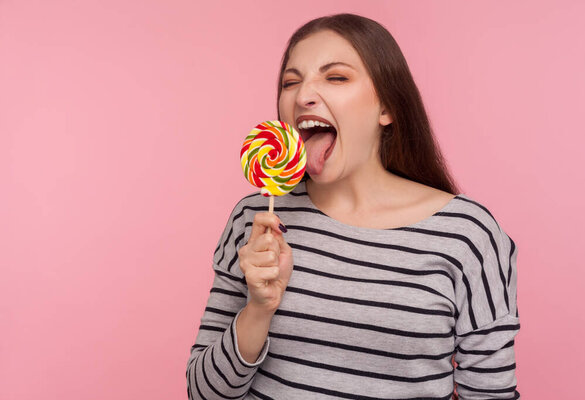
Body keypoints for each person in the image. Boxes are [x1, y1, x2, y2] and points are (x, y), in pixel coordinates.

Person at [186, 13, 520, 400]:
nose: (302, 95)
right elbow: (202, 393)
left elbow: (491, 393)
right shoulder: (256, 219)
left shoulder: (468, 235)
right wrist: (259, 310)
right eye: (290, 82)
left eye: (336, 77)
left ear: (387, 108)